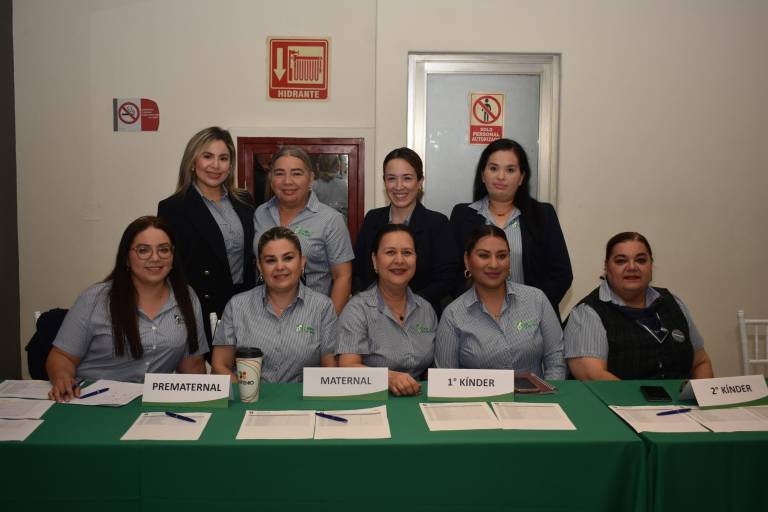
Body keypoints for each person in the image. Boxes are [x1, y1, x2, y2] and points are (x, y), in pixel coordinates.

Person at [46, 216, 208, 402]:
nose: (155, 258)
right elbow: (61, 356)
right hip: (89, 400)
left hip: (151, 405)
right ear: (126, 258)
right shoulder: (95, 299)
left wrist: (203, 403)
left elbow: (192, 366)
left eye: (163, 250)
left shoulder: (187, 297)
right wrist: (62, 378)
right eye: (143, 250)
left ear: (172, 256)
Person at [564, 232, 714, 380]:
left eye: (641, 260)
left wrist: (700, 397)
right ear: (606, 267)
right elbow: (594, 376)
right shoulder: (588, 312)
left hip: (684, 403)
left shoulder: (673, 303)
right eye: (621, 261)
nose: (632, 267)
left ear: (651, 266)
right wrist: (644, 404)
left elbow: (701, 363)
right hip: (622, 403)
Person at [449, 138, 572, 315]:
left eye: (510, 170)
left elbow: (561, 274)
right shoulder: (462, 215)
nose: (501, 176)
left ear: (521, 177)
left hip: (532, 319)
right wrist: (477, 308)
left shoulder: (543, 214)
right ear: (483, 174)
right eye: (493, 168)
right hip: (476, 318)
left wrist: (531, 309)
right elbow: (453, 274)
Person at [157, 126, 256, 343]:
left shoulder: (244, 201)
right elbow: (171, 266)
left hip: (245, 304)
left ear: (230, 165)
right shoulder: (173, 208)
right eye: (207, 156)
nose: (215, 165)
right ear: (193, 162)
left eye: (223, 158)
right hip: (200, 307)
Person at [435, 225, 566, 380]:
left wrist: (545, 399)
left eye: (502, 256)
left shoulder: (537, 300)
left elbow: (556, 361)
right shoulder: (453, 314)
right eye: (484, 256)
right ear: (467, 260)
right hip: (477, 403)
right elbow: (445, 379)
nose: (494, 264)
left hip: (535, 400)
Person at [211, 227, 337, 383]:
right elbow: (219, 366)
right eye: (270, 260)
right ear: (259, 266)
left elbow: (330, 369)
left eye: (288, 258)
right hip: (249, 403)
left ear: (302, 262)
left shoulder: (322, 308)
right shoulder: (237, 306)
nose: (280, 267)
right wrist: (247, 393)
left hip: (304, 404)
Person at [353, 147, 458, 315]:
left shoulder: (437, 223)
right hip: (373, 316)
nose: (399, 186)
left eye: (407, 178)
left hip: (422, 317)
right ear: (384, 181)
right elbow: (358, 272)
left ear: (420, 181)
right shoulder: (372, 219)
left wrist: (405, 305)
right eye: (391, 179)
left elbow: (447, 279)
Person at [338, 224, 437, 396]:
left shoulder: (426, 310)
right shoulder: (357, 309)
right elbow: (347, 368)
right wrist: (387, 378)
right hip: (371, 401)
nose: (399, 260)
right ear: (375, 261)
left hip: (416, 400)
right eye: (390, 252)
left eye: (407, 253)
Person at [253, 146, 354, 314]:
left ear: (311, 179)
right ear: (271, 179)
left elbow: (343, 277)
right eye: (279, 173)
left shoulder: (331, 220)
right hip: (263, 316)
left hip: (311, 319)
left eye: (296, 173)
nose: (287, 181)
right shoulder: (260, 214)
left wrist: (327, 323)